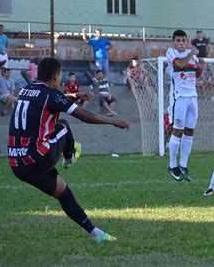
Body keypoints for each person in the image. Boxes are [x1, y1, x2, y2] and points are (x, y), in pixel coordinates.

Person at [8, 58, 129, 243]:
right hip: (38, 158)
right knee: (62, 125)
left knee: (64, 193)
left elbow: (53, 99)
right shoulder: (51, 94)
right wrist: (114, 121)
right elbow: (85, 115)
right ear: (56, 76)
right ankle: (70, 157)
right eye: (61, 75)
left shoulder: (26, 90)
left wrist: (75, 96)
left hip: (17, 164)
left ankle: (97, 233)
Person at [166, 29, 204, 182]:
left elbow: (196, 74)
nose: (181, 43)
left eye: (184, 41)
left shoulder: (192, 55)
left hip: (192, 97)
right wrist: (191, 54)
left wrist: (201, 66)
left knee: (190, 131)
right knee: (177, 131)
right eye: (178, 41)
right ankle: (172, 164)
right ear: (173, 42)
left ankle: (183, 165)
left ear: (187, 41)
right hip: (179, 97)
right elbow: (180, 65)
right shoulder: (171, 52)